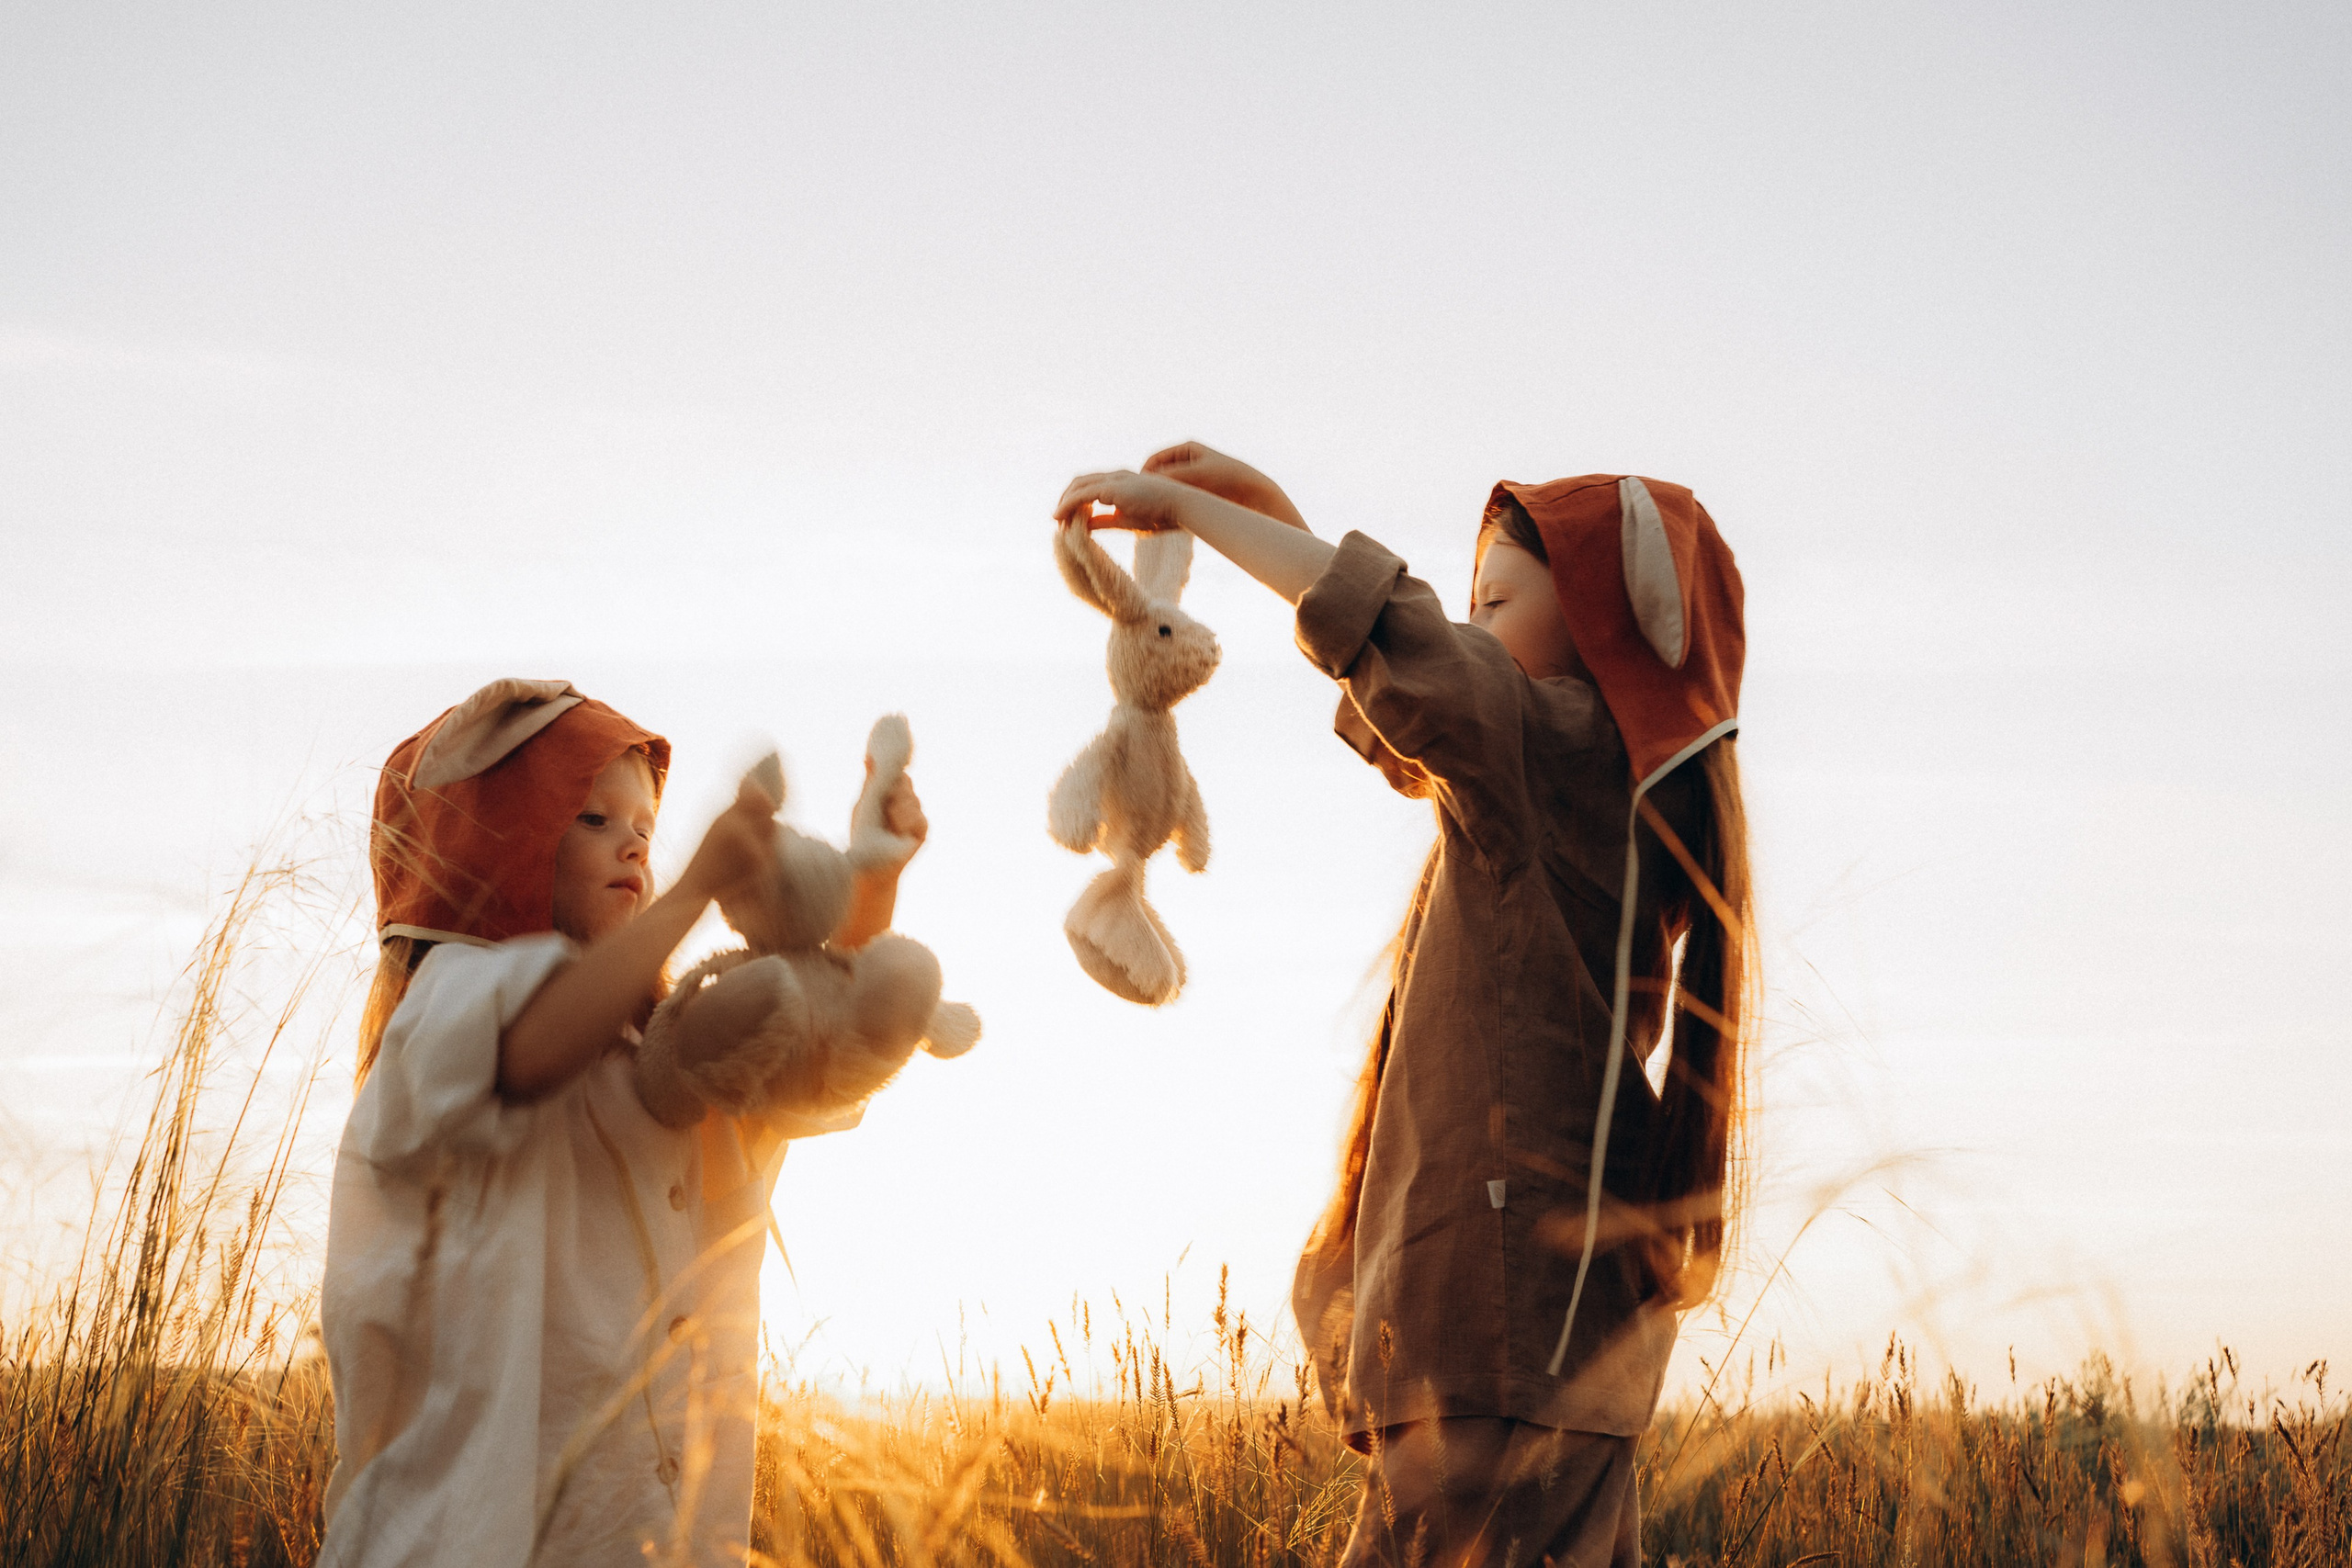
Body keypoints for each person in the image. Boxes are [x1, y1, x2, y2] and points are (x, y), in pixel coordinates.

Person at [1057, 447, 1754, 1567]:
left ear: (1600, 631)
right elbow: (1401, 699)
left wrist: (1190, 512)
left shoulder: (1564, 750)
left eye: (1493, 598)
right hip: (1560, 1340)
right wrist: (1273, 520)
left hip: (1495, 1330)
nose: (1468, 618)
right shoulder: (1595, 796)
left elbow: (1402, 646)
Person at [318, 678, 928, 1567]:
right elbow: (529, 1055)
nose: (635, 841)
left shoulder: (663, 1048)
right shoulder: (447, 1013)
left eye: (644, 823)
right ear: (497, 852)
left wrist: (872, 882)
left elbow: (821, 1041)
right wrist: (691, 893)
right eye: (592, 819)